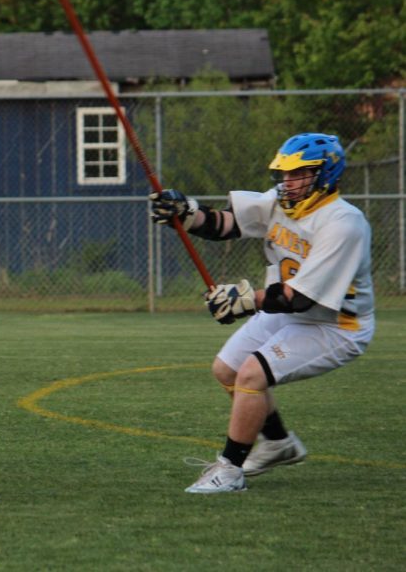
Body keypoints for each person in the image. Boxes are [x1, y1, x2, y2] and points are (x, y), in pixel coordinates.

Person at [149, 132, 374, 494]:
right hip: (291, 309)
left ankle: (230, 470)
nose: (288, 182)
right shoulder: (280, 203)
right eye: (284, 174)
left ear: (326, 174)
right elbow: (225, 225)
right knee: (227, 369)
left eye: (299, 174)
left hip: (336, 324)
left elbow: (300, 298)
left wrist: (243, 299)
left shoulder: (343, 224)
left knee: (252, 374)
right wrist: (186, 213)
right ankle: (277, 442)